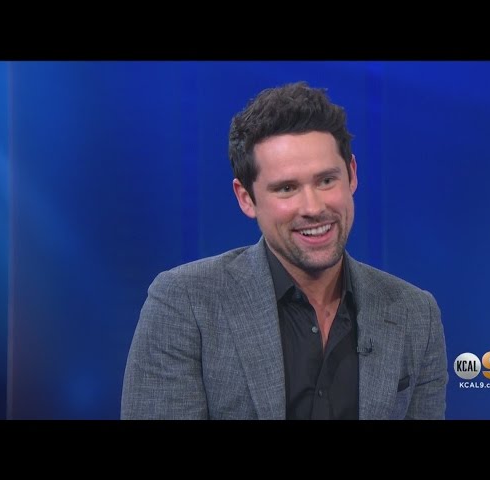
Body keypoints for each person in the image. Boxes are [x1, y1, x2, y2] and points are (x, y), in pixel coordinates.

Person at [121, 81, 448, 420]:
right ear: (246, 198)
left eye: (326, 180)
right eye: (287, 188)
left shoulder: (415, 314)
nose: (313, 207)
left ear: (351, 175)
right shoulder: (186, 303)